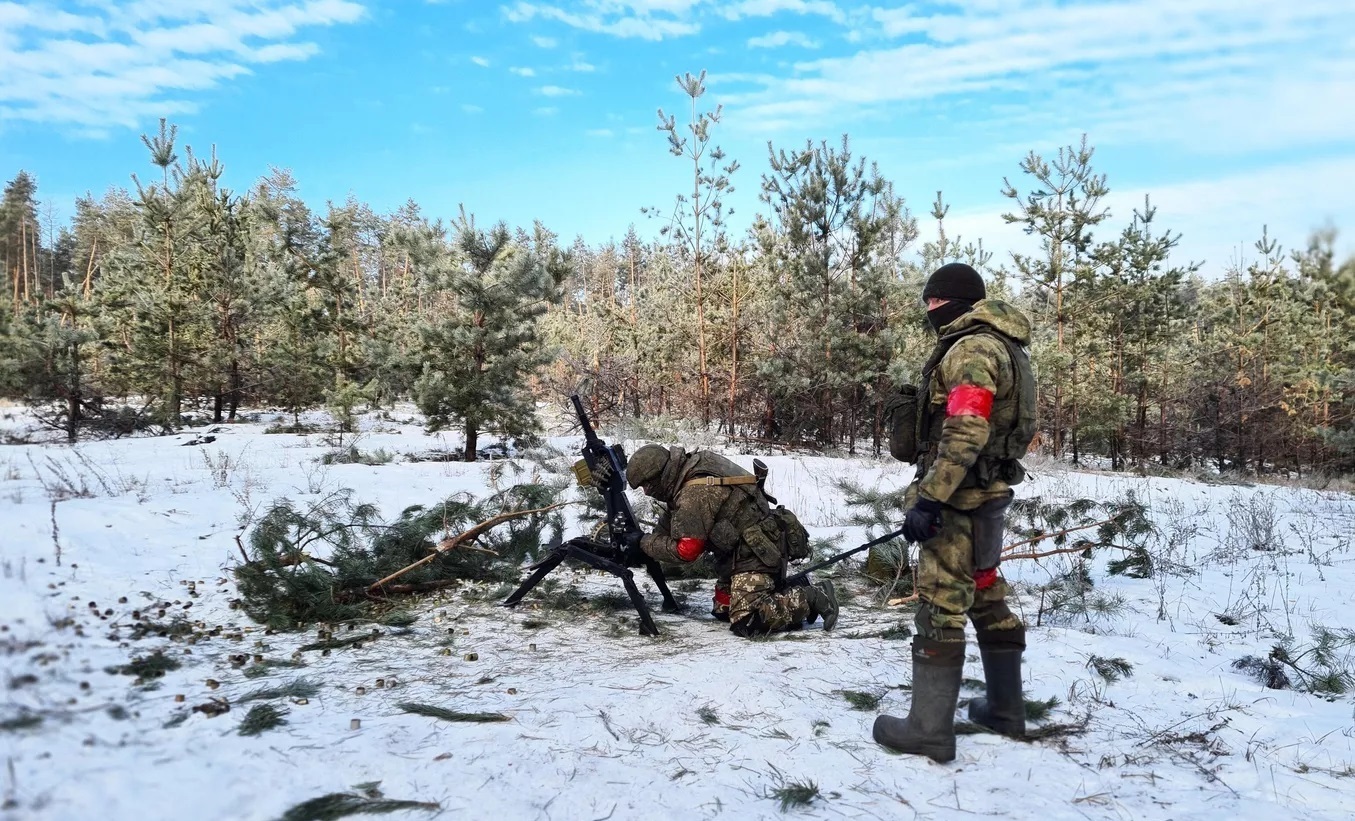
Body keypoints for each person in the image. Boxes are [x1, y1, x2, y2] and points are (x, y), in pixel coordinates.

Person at [872, 262, 1037, 763]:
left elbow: (967, 428)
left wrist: (931, 498)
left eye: (934, 300)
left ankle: (928, 731)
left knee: (941, 604)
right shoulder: (1008, 346)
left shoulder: (972, 349)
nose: (930, 309)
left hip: (960, 500)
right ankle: (1005, 710)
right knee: (984, 591)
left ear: (955, 300)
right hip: (989, 494)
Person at [608, 443, 838, 637]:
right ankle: (789, 587)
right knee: (723, 609)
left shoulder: (693, 494)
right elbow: (670, 521)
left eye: (648, 485)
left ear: (660, 475)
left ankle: (814, 597)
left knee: (746, 621)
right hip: (744, 549)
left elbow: (686, 550)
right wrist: (646, 543)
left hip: (757, 552)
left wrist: (643, 543)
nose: (647, 492)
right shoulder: (692, 467)